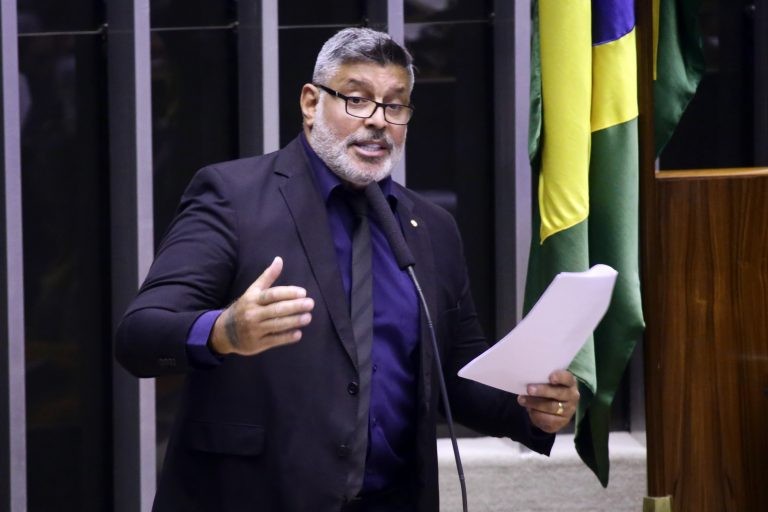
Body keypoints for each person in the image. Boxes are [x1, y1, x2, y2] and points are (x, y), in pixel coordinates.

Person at [116, 27, 579, 512]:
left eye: (395, 105)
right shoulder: (232, 198)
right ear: (311, 103)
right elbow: (139, 336)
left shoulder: (432, 228)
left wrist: (532, 409)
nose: (378, 121)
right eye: (357, 100)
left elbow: (456, 374)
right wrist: (223, 331)